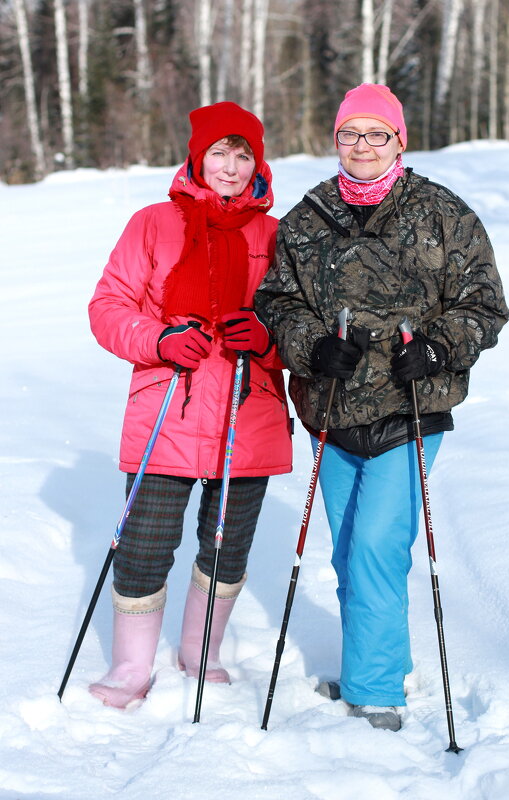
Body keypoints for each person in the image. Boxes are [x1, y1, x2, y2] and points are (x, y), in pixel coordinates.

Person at [254, 84, 509, 732]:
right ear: (335, 140)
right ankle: (380, 664)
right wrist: (313, 347)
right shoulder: (307, 218)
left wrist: (438, 346)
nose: (362, 146)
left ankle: (375, 695)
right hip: (333, 412)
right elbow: (276, 302)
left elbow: (484, 305)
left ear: (400, 140)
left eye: (376, 134)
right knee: (350, 552)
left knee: (375, 544)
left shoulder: (443, 214)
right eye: (350, 134)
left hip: (411, 409)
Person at [88, 101, 292, 709]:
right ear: (196, 158)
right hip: (166, 409)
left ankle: (202, 651)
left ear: (258, 162)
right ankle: (130, 667)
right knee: (145, 540)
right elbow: (108, 307)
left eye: (243, 155)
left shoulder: (276, 235)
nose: (230, 167)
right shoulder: (152, 223)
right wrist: (159, 339)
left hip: (245, 411)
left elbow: (301, 326)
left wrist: (268, 340)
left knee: (227, 543)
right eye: (219, 154)